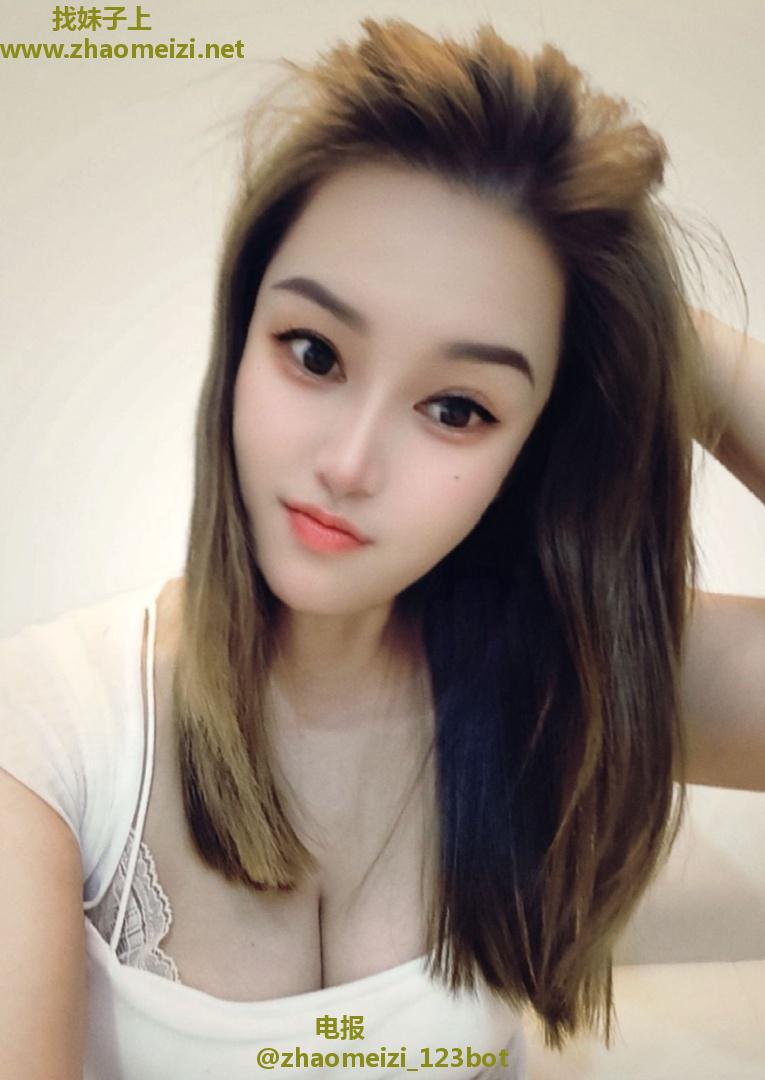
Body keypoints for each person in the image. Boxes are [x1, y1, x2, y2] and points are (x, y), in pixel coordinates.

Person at [1, 16, 763, 1080]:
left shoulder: (573, 678)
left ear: (532, 447)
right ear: (239, 337)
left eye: (457, 407)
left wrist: (651, 335)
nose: (350, 463)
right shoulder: (49, 733)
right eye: (313, 352)